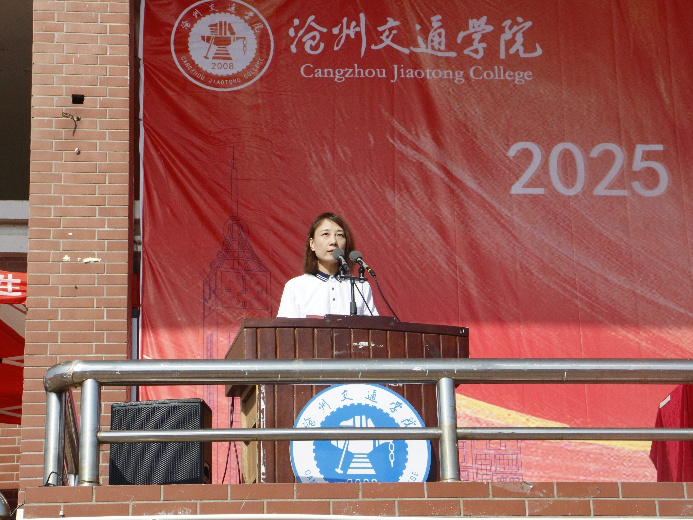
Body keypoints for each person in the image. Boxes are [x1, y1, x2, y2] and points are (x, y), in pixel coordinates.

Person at [277, 212, 378, 318]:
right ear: (312, 244)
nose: (333, 241)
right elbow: (285, 327)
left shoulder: (360, 286)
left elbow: (374, 326)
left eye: (339, 235)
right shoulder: (295, 286)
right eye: (325, 234)